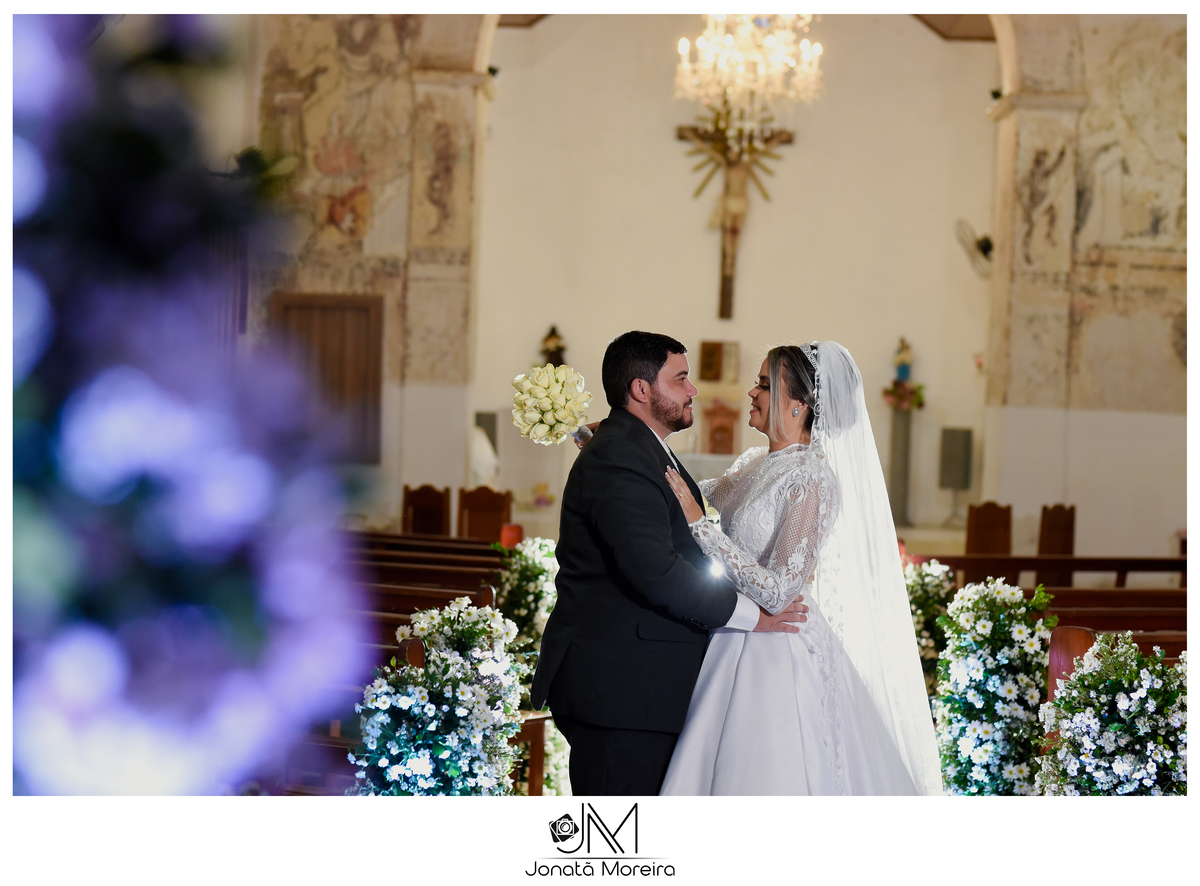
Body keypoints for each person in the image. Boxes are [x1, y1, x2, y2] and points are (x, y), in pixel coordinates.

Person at [530, 331, 808, 796]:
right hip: (621, 693)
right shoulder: (620, 455)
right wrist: (754, 618)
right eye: (680, 379)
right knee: (616, 836)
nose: (693, 389)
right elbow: (657, 571)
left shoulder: (635, 446)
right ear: (641, 390)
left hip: (644, 689)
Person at [659, 342, 944, 795]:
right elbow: (689, 491)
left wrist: (702, 527)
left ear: (799, 404)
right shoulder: (755, 463)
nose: (751, 393)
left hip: (777, 644)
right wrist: (629, 442)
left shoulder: (812, 478)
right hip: (733, 629)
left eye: (764, 384)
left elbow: (779, 592)